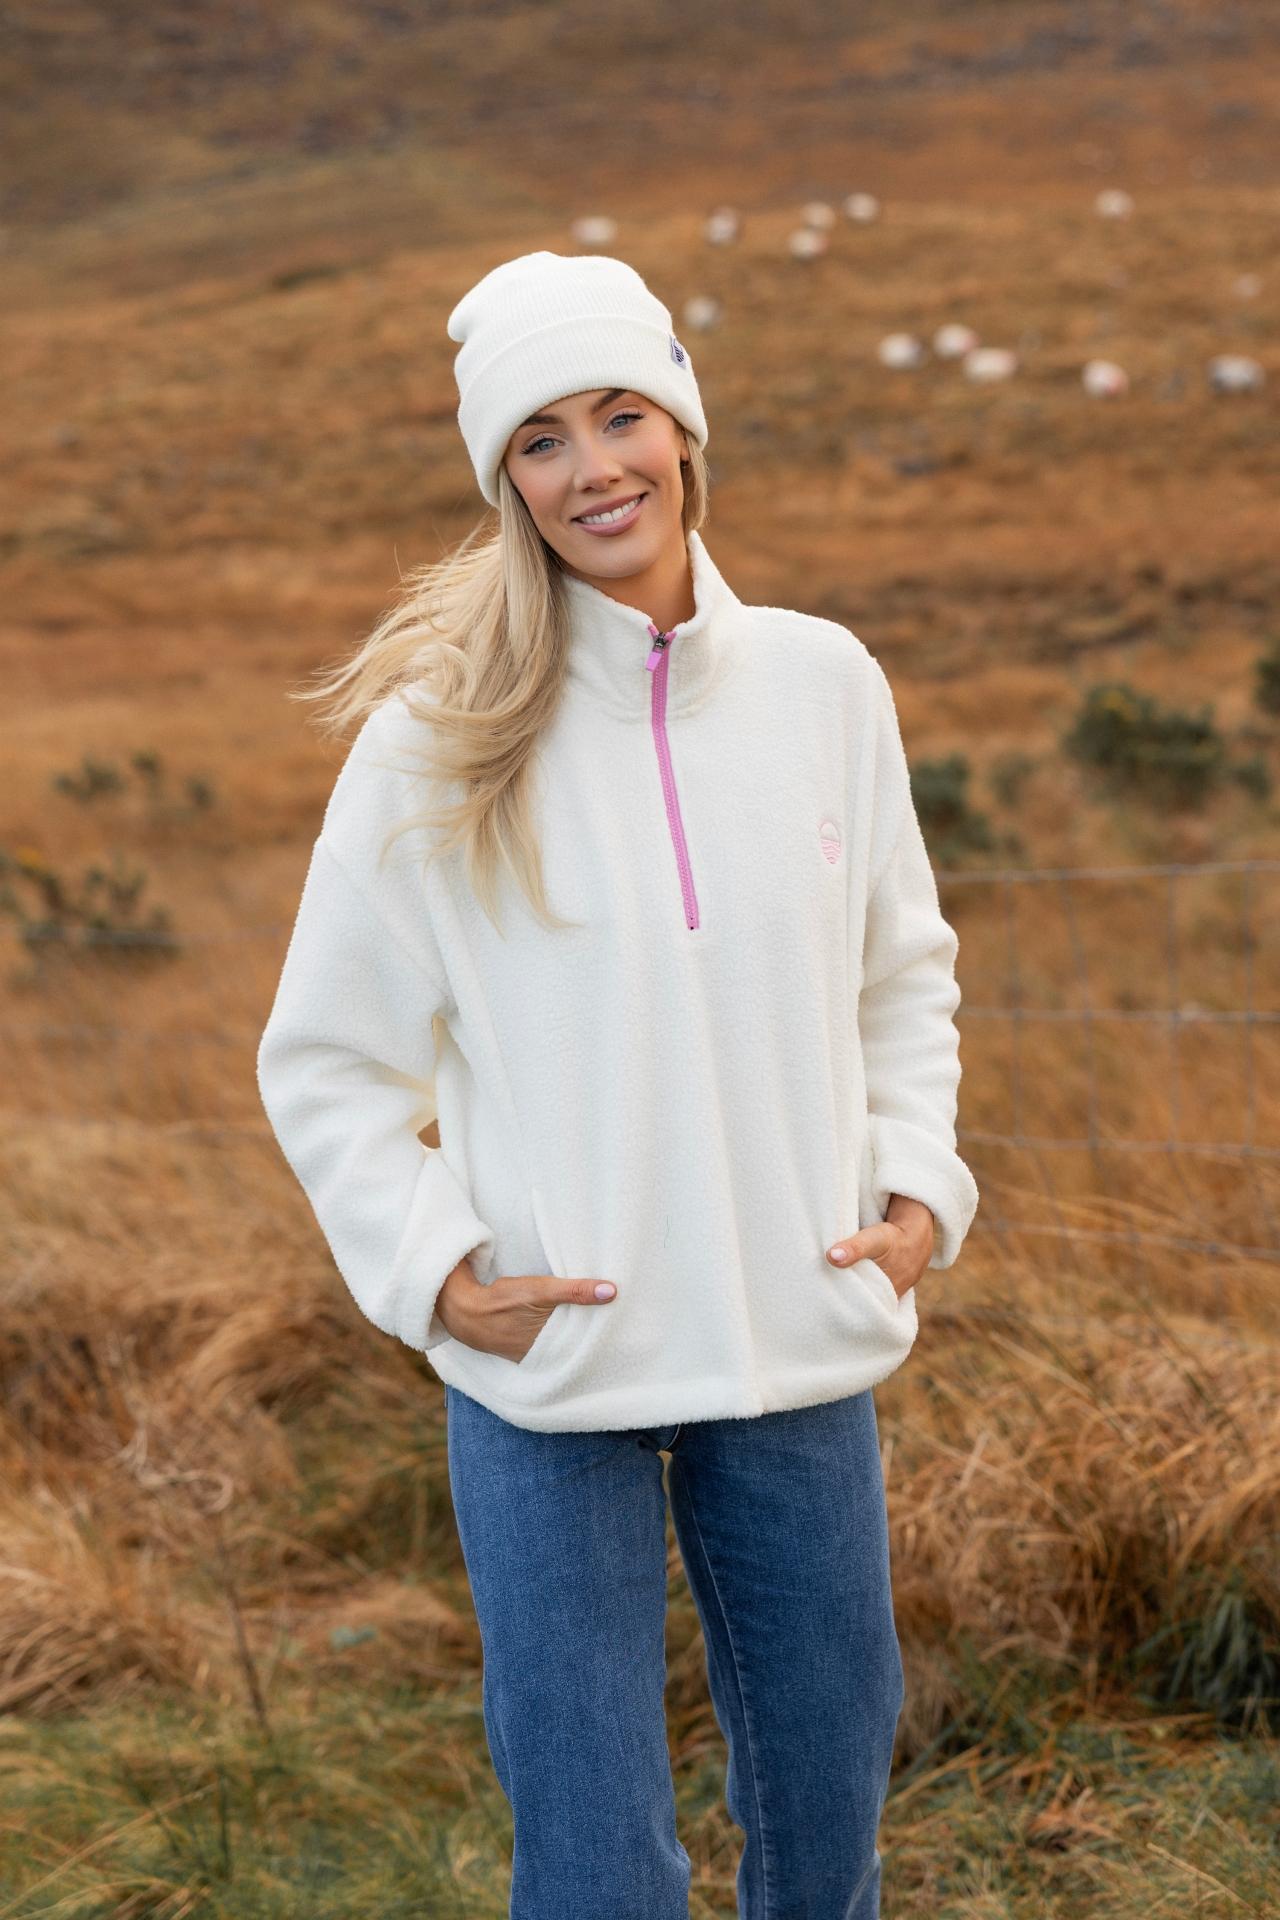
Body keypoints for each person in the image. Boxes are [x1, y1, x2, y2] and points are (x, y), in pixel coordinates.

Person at [256, 250, 980, 1919]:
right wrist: (438, 1273)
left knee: (831, 1808)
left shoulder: (826, 687)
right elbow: (327, 1060)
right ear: (503, 481)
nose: (594, 468)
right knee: (595, 1862)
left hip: (797, 1331)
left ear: (683, 428)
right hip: (551, 1366)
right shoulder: (434, 739)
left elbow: (901, 972)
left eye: (620, 416)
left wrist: (919, 1188)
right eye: (542, 440)